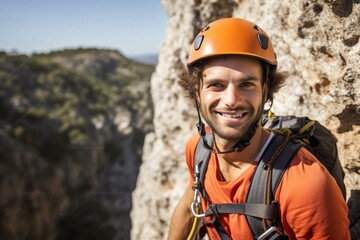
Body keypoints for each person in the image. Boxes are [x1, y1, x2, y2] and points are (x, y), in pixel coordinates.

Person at [168, 18, 350, 240]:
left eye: (247, 84)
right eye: (217, 85)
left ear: (266, 91)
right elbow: (189, 208)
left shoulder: (306, 186)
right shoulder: (198, 151)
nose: (231, 100)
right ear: (197, 94)